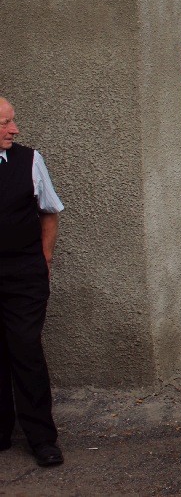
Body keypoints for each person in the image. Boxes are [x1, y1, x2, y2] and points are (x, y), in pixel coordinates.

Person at [0, 98, 64, 468]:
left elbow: (50, 211)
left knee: (24, 347)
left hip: (24, 274)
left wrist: (44, 259)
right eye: (7, 123)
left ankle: (41, 437)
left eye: (13, 122)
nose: (15, 129)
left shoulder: (29, 161)